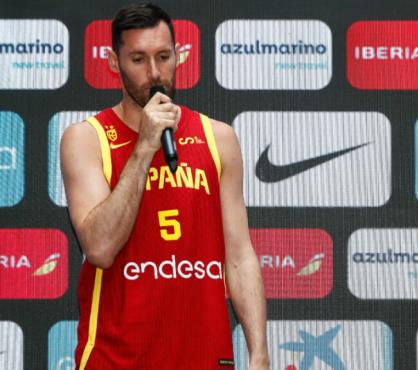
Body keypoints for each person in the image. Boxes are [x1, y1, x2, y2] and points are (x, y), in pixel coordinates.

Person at [60, 3, 268, 369]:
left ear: (179, 56)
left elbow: (239, 256)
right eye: (138, 59)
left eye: (163, 56)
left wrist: (258, 353)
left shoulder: (218, 138)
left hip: (203, 355)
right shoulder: (87, 139)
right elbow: (99, 247)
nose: (154, 73)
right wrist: (144, 146)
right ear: (113, 61)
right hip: (116, 359)